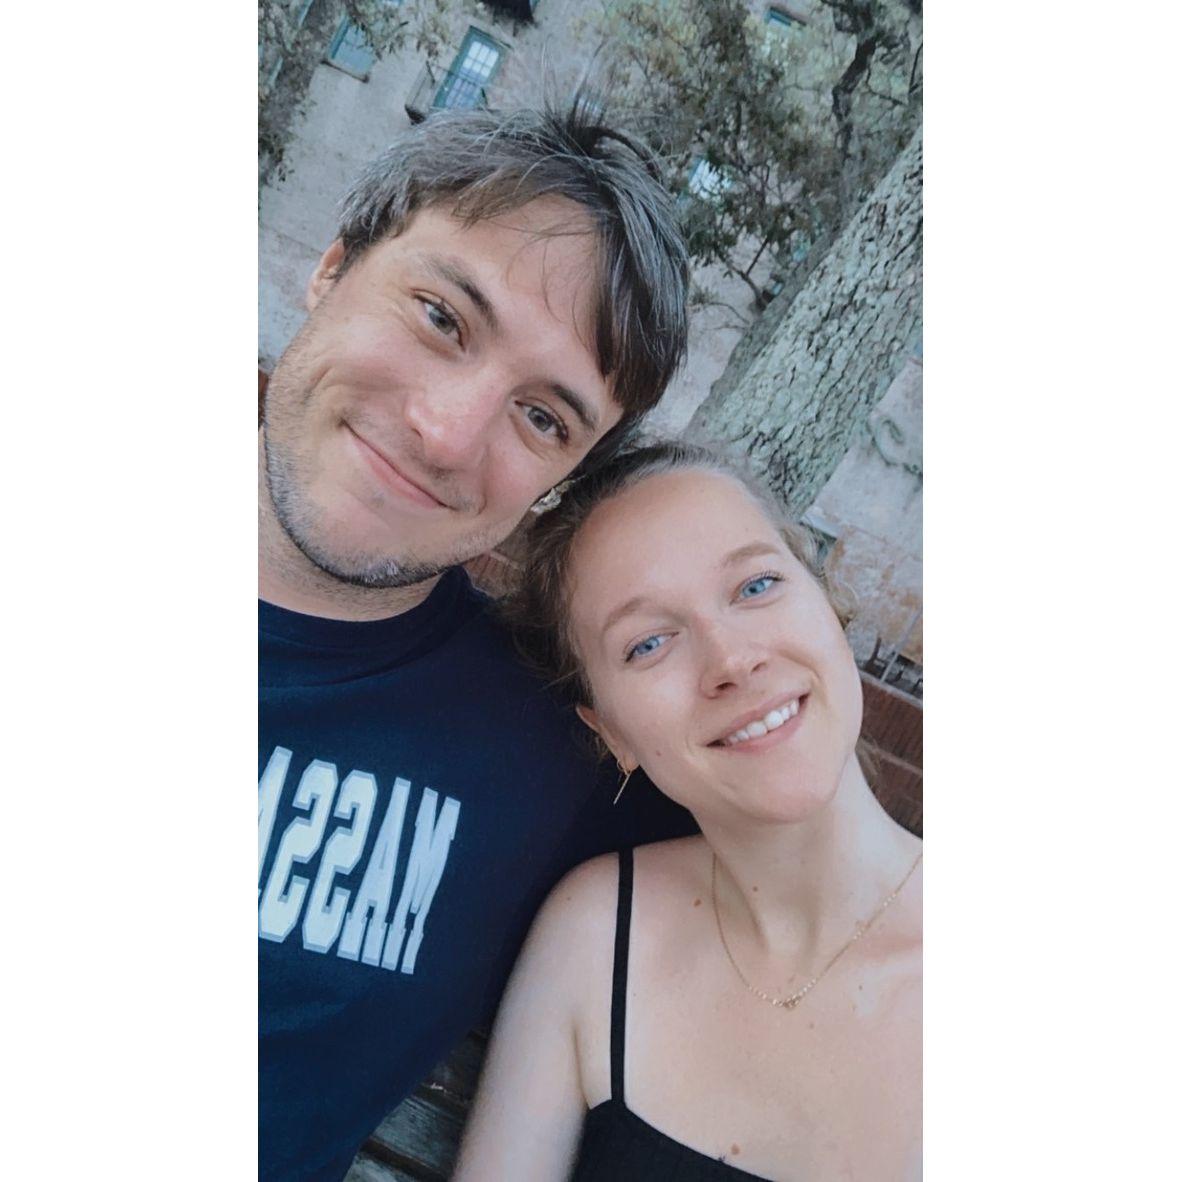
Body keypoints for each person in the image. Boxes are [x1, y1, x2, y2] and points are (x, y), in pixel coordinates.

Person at [258, 105, 694, 1182]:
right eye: (442, 318)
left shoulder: (551, 764)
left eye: (543, 418)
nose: (447, 434)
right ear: (332, 267)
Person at [453, 442, 923, 1181]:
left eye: (757, 585)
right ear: (610, 732)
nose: (731, 659)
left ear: (829, 609)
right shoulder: (600, 931)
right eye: (648, 643)